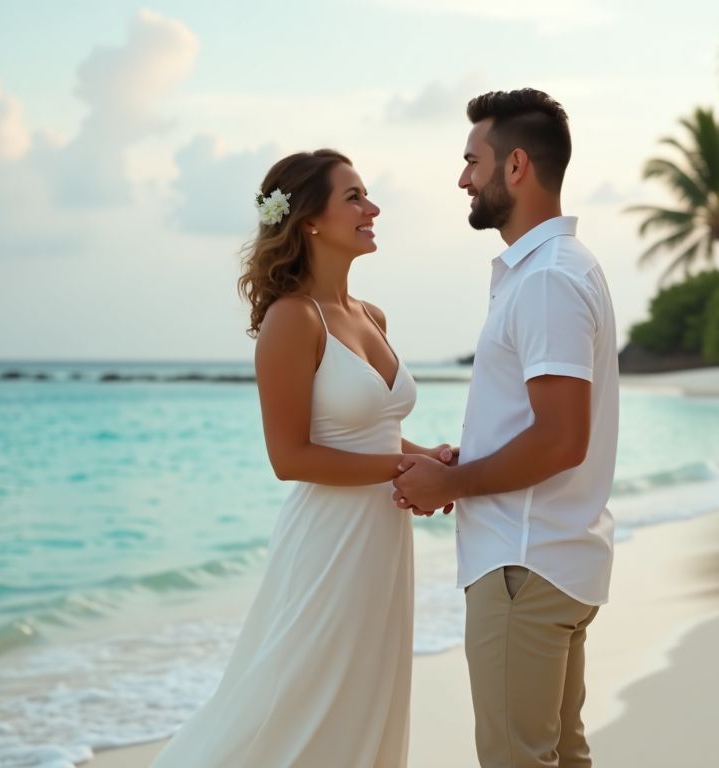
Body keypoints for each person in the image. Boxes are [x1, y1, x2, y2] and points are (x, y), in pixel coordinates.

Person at [151, 149, 451, 768]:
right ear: (309, 220)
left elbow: (376, 437)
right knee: (293, 699)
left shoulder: (372, 315)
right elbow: (289, 457)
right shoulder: (292, 319)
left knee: (366, 697)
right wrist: (406, 472)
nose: (372, 208)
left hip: (381, 540)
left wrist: (439, 462)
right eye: (355, 197)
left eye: (366, 195)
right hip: (329, 543)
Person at [393, 89, 620, 768]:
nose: (463, 178)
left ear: (515, 166)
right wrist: (469, 462)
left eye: (473, 161)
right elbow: (545, 425)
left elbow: (559, 439)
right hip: (552, 554)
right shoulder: (558, 269)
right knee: (558, 755)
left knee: (518, 759)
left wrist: (453, 481)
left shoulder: (547, 278)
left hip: (524, 562)